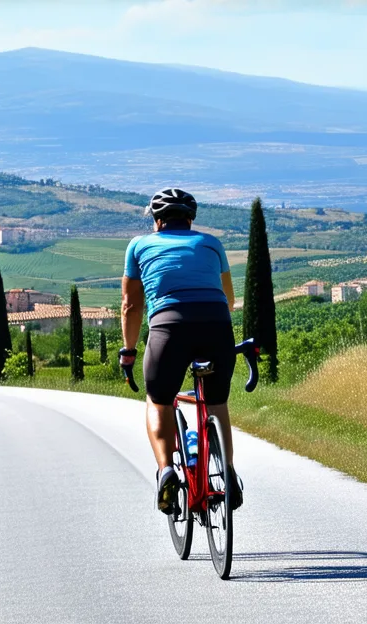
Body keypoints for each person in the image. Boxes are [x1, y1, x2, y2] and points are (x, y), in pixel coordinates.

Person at [119, 188, 241, 515]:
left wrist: (128, 351)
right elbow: (228, 301)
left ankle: (166, 470)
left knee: (158, 400)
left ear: (157, 222)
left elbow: (131, 305)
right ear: (190, 220)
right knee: (216, 402)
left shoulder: (139, 245)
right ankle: (226, 471)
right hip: (216, 327)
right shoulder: (211, 244)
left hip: (168, 330)